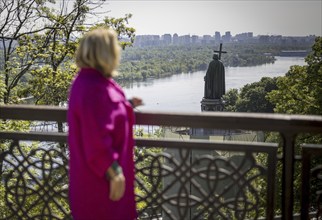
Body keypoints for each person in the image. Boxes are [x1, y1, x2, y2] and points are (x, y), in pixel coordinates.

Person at [67, 28, 142, 220]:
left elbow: (104, 115)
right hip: (102, 185)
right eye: (114, 47)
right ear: (105, 53)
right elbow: (96, 139)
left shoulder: (89, 82)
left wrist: (127, 106)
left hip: (93, 179)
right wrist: (115, 173)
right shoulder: (94, 88)